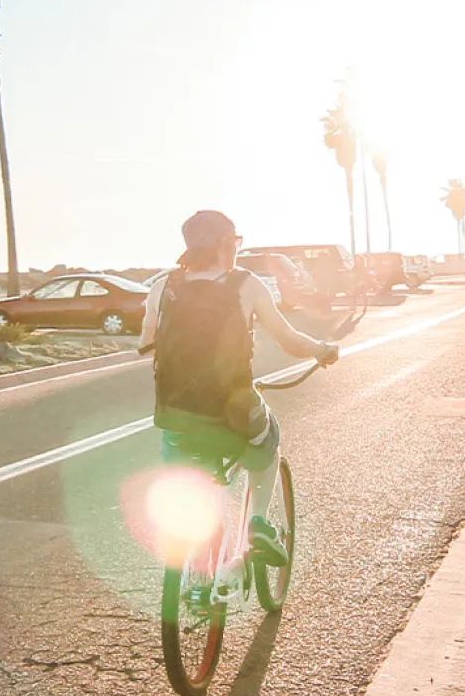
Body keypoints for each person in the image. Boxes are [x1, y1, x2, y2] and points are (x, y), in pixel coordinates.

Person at [140, 210, 339, 567]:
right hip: (233, 411)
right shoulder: (245, 283)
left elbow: (146, 341)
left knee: (182, 457)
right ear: (223, 244)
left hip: (174, 413)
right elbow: (289, 340)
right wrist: (322, 350)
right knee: (268, 440)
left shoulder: (163, 287)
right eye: (235, 241)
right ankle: (258, 524)